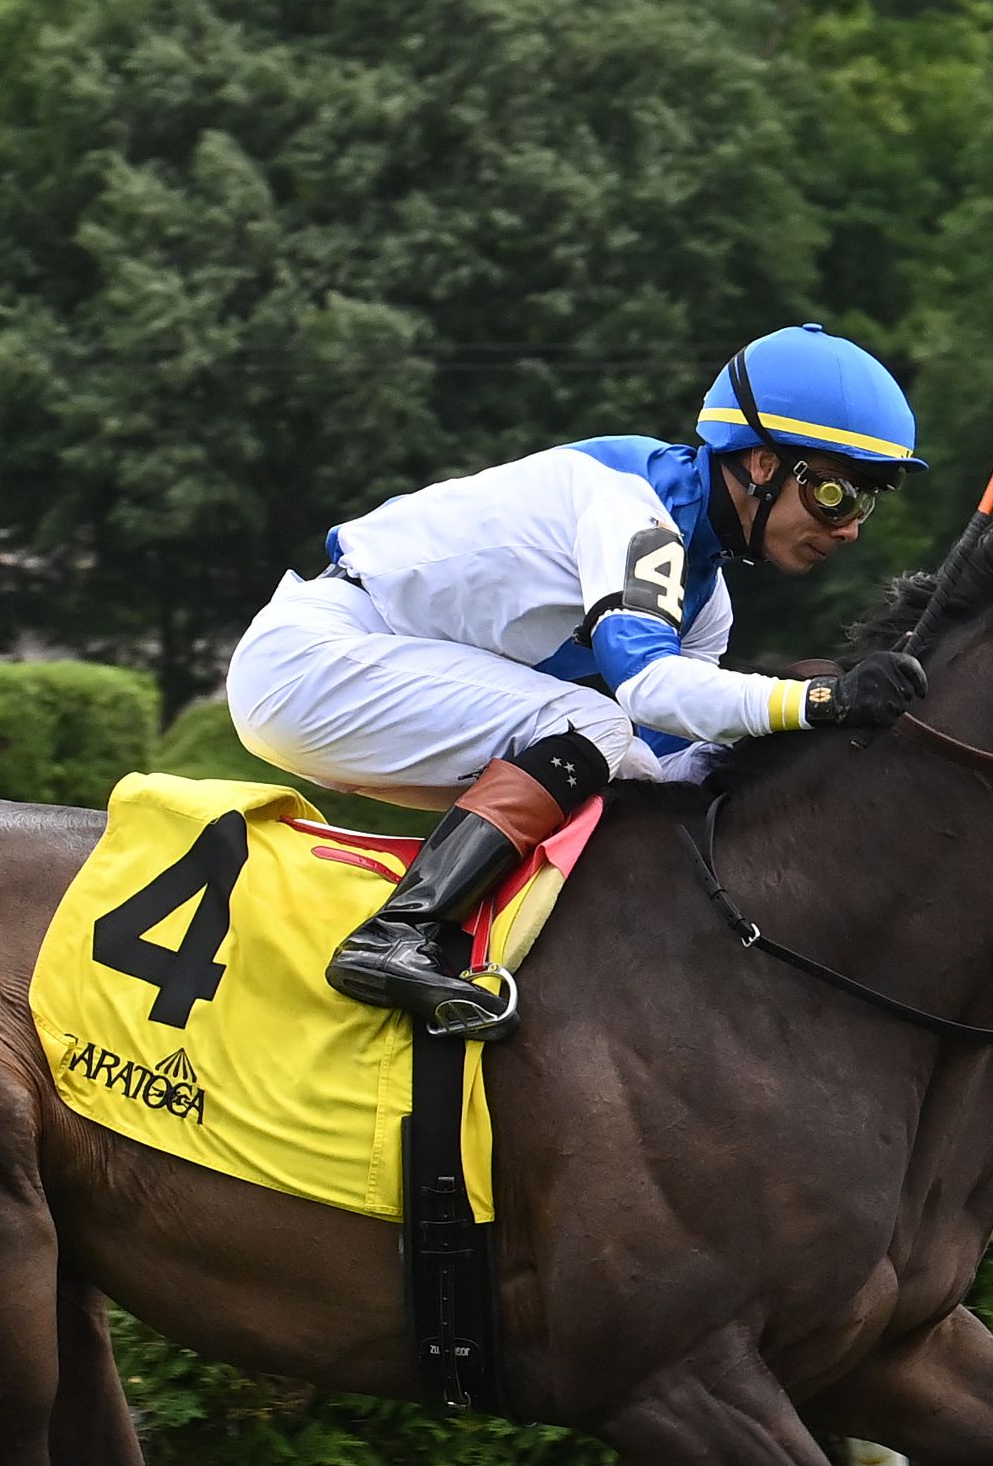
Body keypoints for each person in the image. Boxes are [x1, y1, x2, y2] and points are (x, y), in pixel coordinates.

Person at [225, 324, 936, 1036]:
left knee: (631, 772)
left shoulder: (704, 598)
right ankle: (393, 938)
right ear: (759, 464)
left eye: (865, 504)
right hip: (313, 658)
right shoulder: (634, 508)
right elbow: (650, 689)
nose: (848, 529)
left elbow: (672, 761)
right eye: (837, 494)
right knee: (590, 726)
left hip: (368, 679)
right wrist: (822, 700)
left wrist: (833, 748)